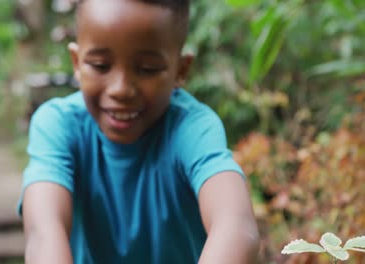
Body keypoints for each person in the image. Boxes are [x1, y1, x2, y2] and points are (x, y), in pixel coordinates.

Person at [18, 0, 260, 263]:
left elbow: (235, 225)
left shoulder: (193, 129)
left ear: (181, 70)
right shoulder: (59, 125)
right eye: (100, 65)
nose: (120, 89)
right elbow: (43, 232)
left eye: (147, 69)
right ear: (76, 62)